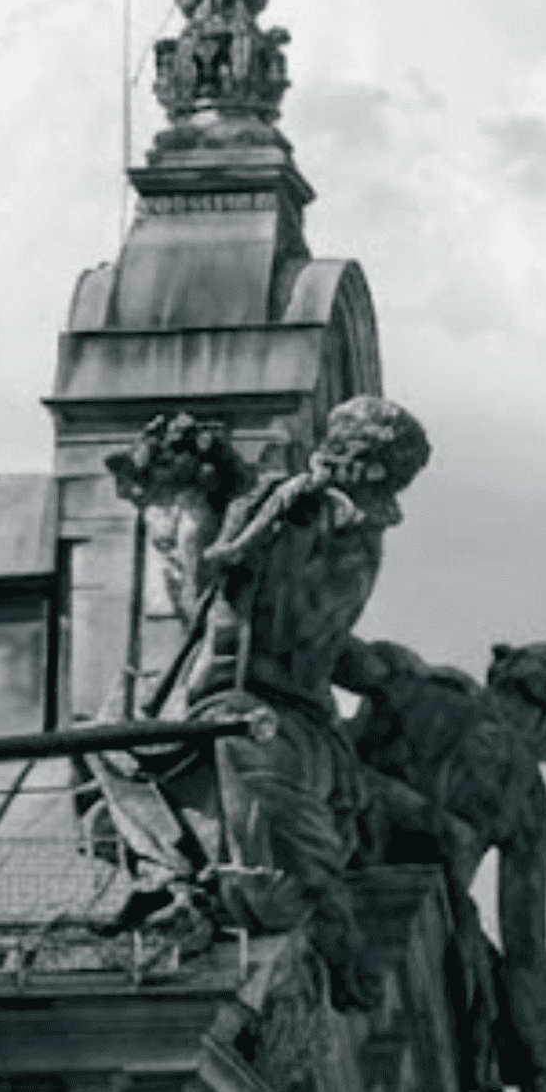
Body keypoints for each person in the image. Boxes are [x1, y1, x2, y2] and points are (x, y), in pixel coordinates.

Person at [178, 395, 430, 1007]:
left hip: (312, 720)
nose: (394, 494)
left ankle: (333, 947)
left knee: (348, 827)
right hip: (244, 705)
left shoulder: (357, 532)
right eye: (393, 472)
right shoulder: (291, 511)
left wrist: (384, 674)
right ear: (366, 463)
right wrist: (202, 513)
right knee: (295, 854)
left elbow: (319, 634)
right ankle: (335, 950)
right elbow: (214, 586)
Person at [342, 636, 546, 1092]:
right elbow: (527, 948)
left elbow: (326, 654)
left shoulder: (421, 685)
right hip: (388, 887)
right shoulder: (529, 805)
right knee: (488, 983)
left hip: (367, 875)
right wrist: (545, 1064)